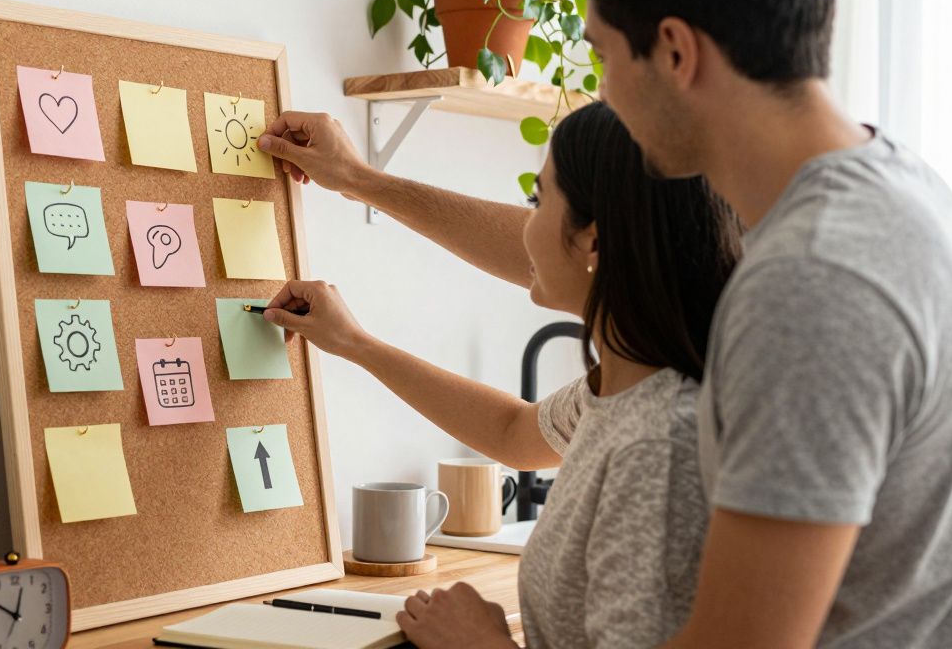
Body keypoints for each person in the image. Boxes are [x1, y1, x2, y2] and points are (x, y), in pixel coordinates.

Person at [263, 0, 952, 646]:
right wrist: (361, 183)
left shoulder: (809, 287)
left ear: (673, 51)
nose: (603, 90)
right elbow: (577, 253)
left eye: (602, 56)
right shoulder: (890, 196)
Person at [260, 102, 742, 647]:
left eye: (536, 203)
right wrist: (355, 343)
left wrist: (482, 643)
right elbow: (513, 432)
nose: (523, 228)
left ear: (595, 240)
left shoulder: (659, 445)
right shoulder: (619, 394)